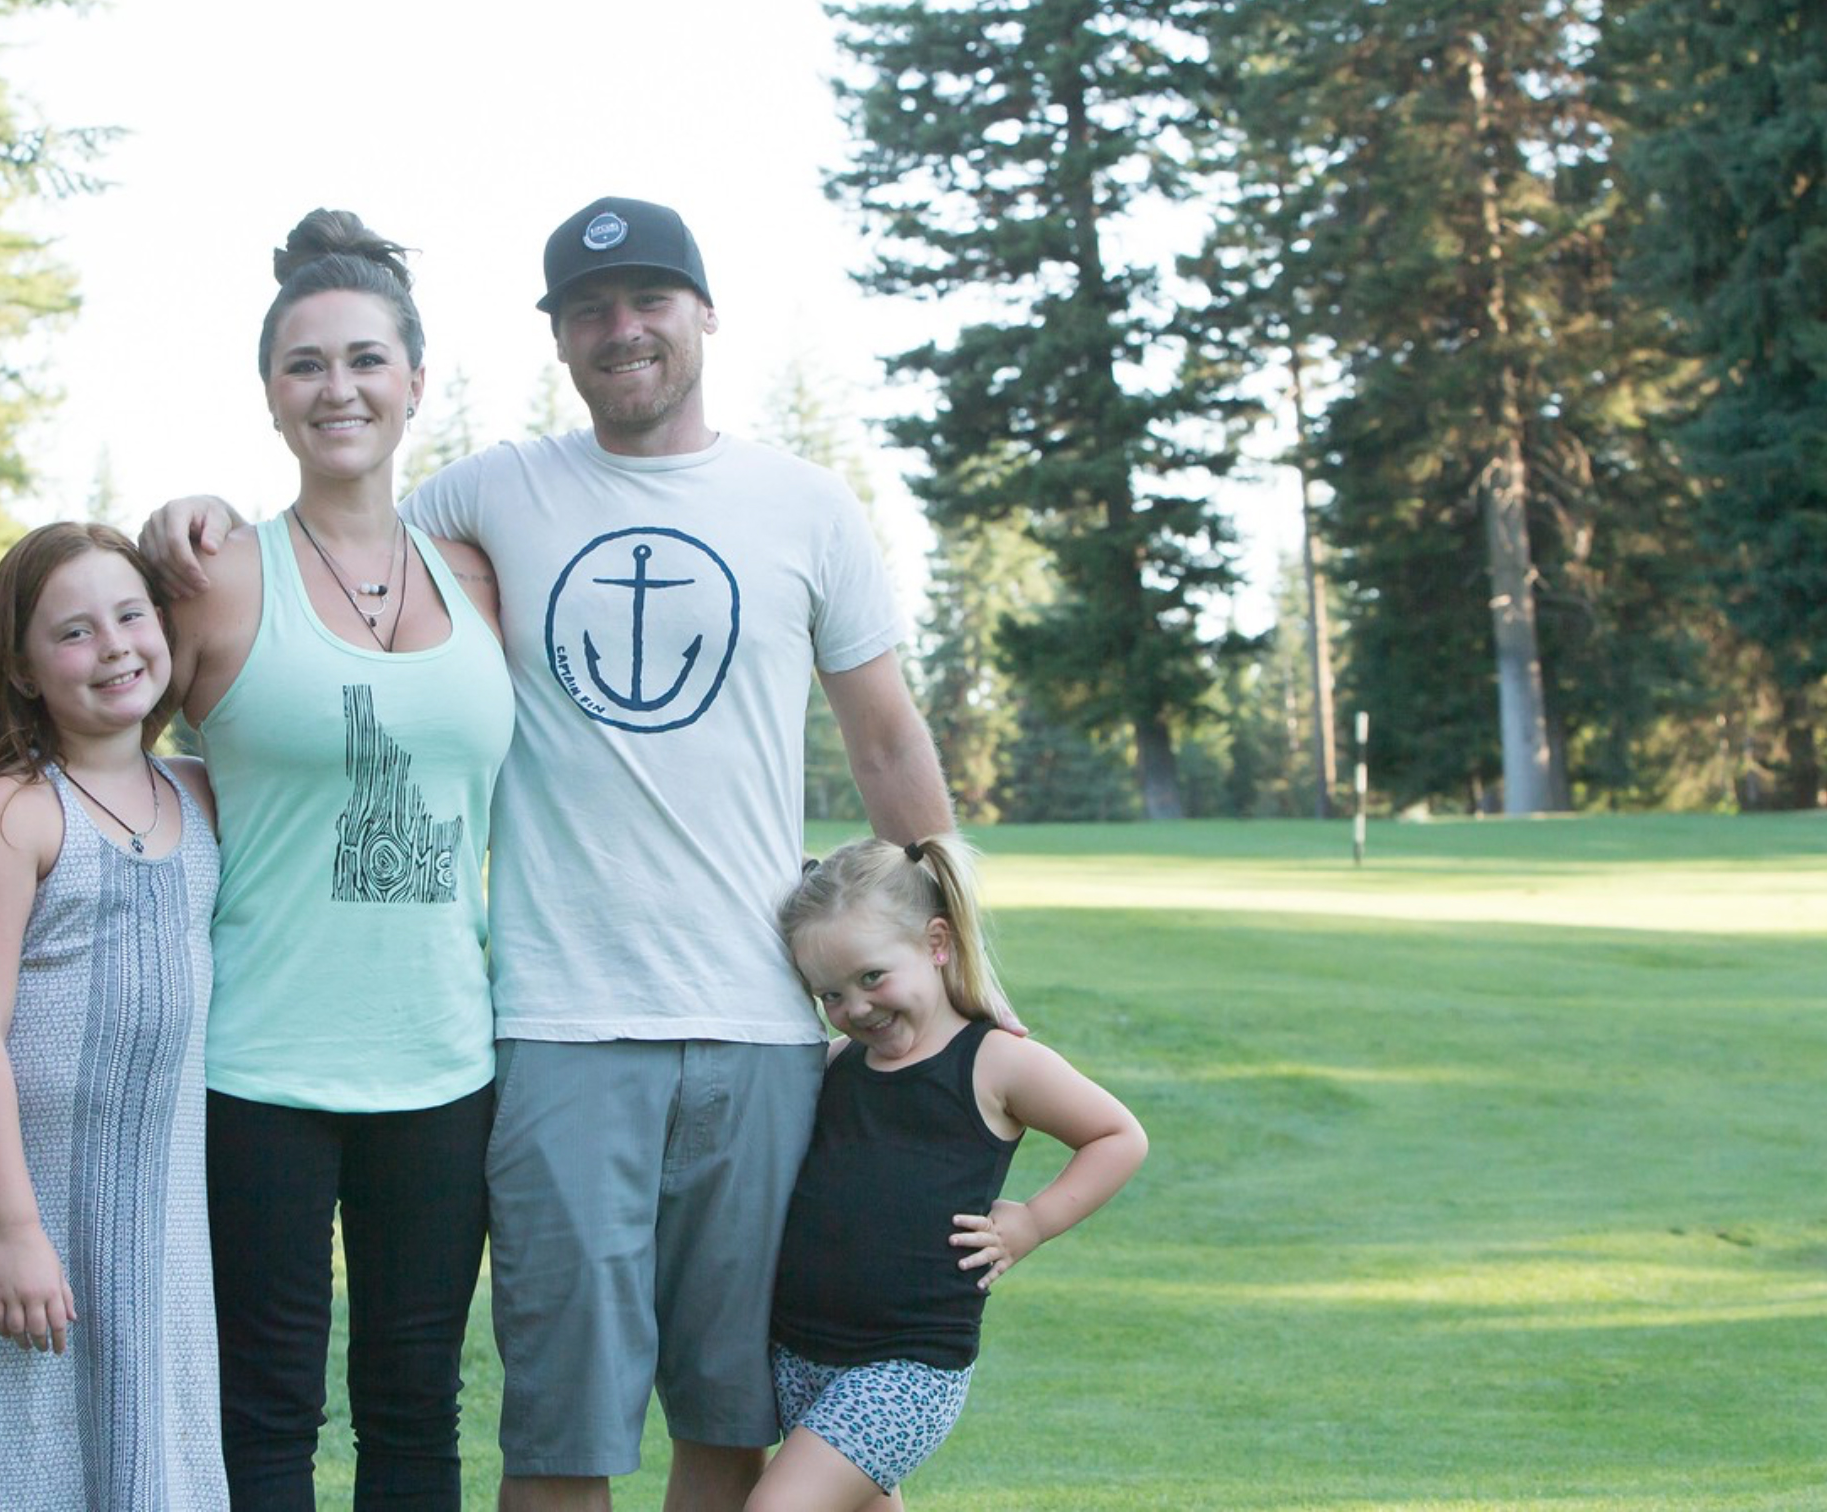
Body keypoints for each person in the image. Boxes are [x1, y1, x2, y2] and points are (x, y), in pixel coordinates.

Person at [148, 195, 978, 1512]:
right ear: (558, 338)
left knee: (728, 1412)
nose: (624, 328)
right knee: (557, 1429)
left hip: (762, 1028)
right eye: (590, 310)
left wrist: (961, 964)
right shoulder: (490, 498)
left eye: (652, 300)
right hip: (553, 1026)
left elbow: (884, 743)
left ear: (705, 314)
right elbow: (336, 532)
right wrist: (196, 513)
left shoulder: (807, 508)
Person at [166, 208, 511, 1510]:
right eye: (306, 365)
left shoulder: (481, 579)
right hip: (256, 1063)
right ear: (269, 395)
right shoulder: (215, 579)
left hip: (442, 1060)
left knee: (417, 1407)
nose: (339, 387)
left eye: (366, 359)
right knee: (263, 1408)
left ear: (415, 381)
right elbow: (96, 749)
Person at [0, 522, 226, 1511]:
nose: (115, 645)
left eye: (131, 616)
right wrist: (12, 1229)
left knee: (145, 1447)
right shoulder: (14, 812)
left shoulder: (200, 795)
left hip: (155, 1208)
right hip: (16, 1202)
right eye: (74, 632)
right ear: (26, 669)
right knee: (9, 1454)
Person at [757, 833, 1147, 1512]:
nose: (856, 1008)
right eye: (831, 994)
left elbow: (1118, 1135)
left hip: (907, 1365)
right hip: (800, 1350)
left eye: (872, 977)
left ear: (937, 943)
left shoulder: (996, 1062)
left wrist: (1031, 1222)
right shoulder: (838, 1062)